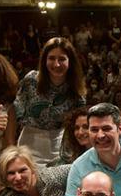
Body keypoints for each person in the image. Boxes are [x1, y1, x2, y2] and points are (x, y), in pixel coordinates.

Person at [15, 37, 88, 166]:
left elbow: (78, 123)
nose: (56, 64)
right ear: (44, 60)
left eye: (62, 59)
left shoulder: (76, 88)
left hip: (61, 143)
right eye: (52, 58)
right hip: (30, 141)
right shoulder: (31, 79)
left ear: (70, 61)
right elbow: (16, 107)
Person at [0, 146, 69, 196]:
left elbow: (79, 168)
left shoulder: (51, 176)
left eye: (22, 170)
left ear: (32, 168)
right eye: (11, 173)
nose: (18, 178)